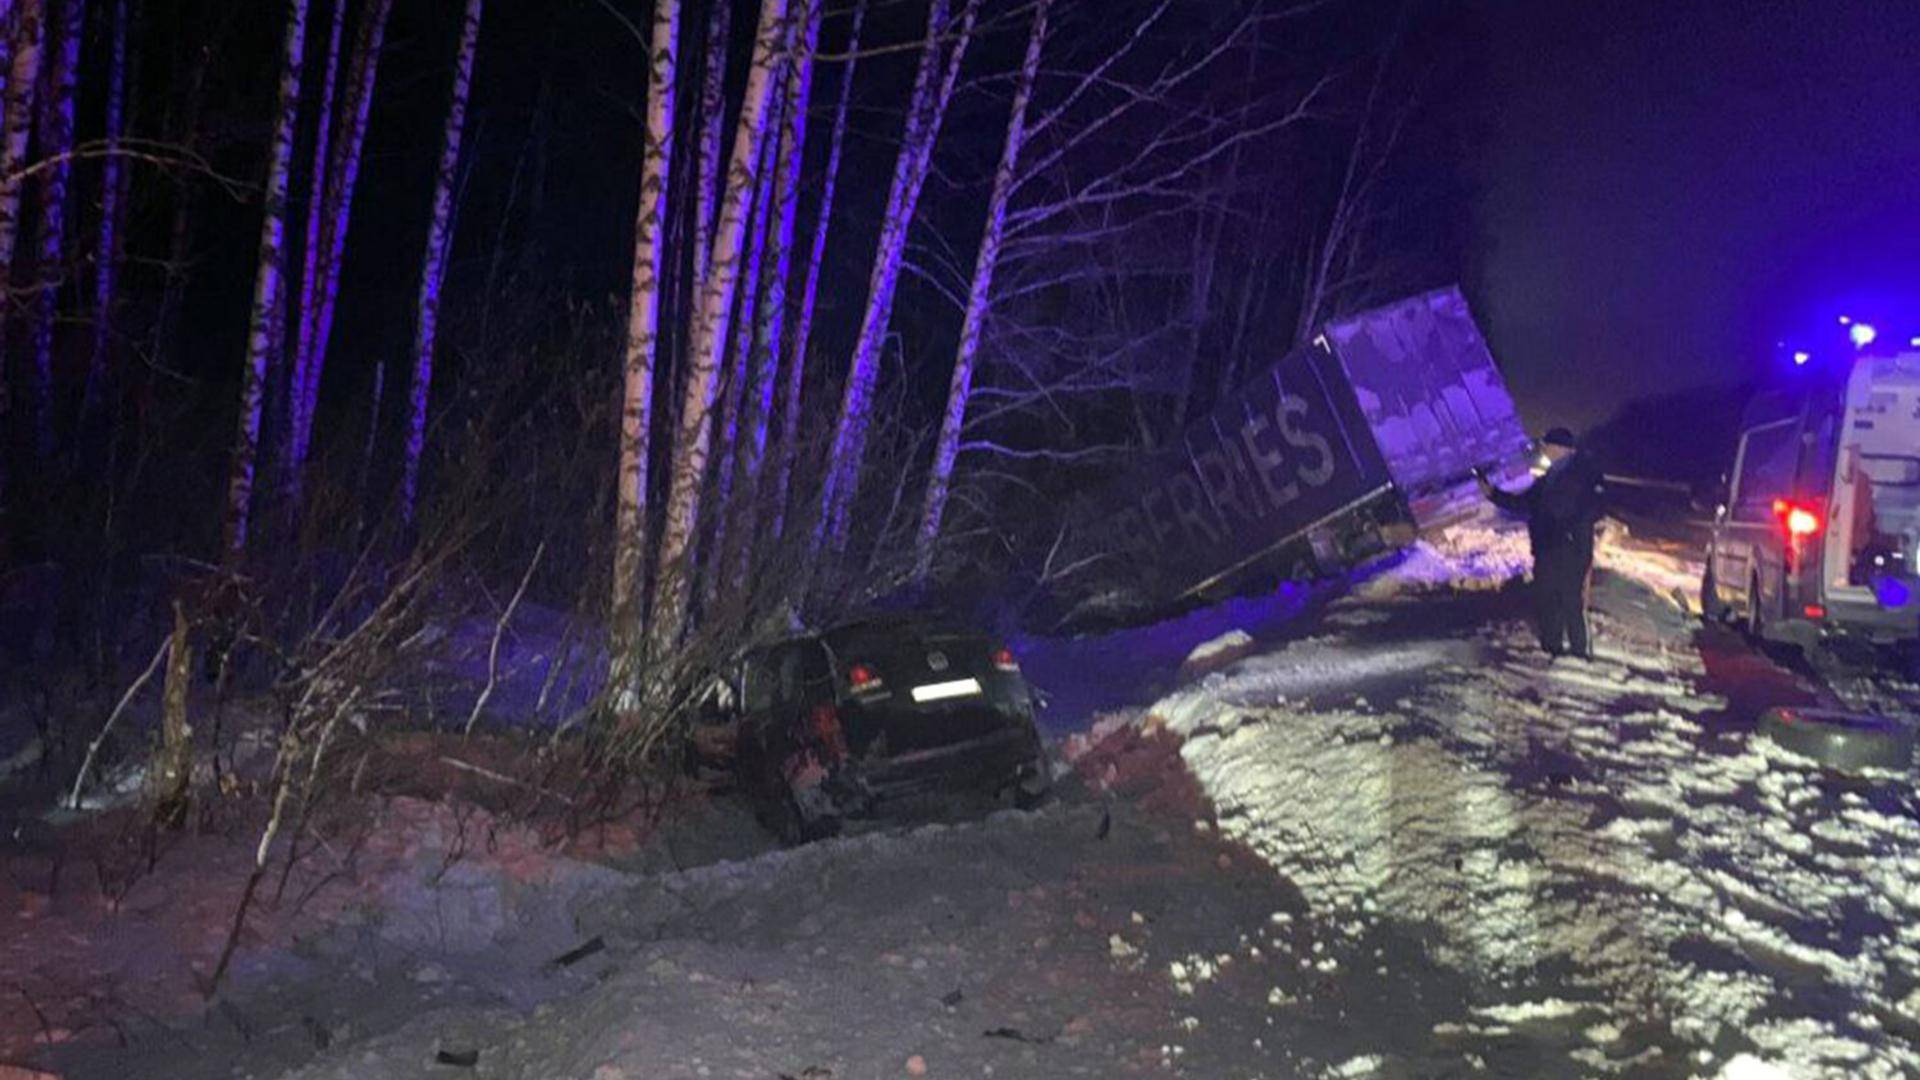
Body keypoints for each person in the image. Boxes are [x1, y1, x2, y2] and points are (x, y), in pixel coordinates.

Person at [1477, 427, 1607, 659]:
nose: (1544, 449)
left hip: (1570, 548)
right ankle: (1552, 647)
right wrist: (1494, 494)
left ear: (1560, 448)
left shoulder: (1581, 472)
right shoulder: (1550, 475)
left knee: (1570, 602)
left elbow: (1587, 508)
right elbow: (1526, 503)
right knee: (1547, 599)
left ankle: (1579, 653)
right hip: (1548, 548)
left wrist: (1568, 530)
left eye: (1547, 445)